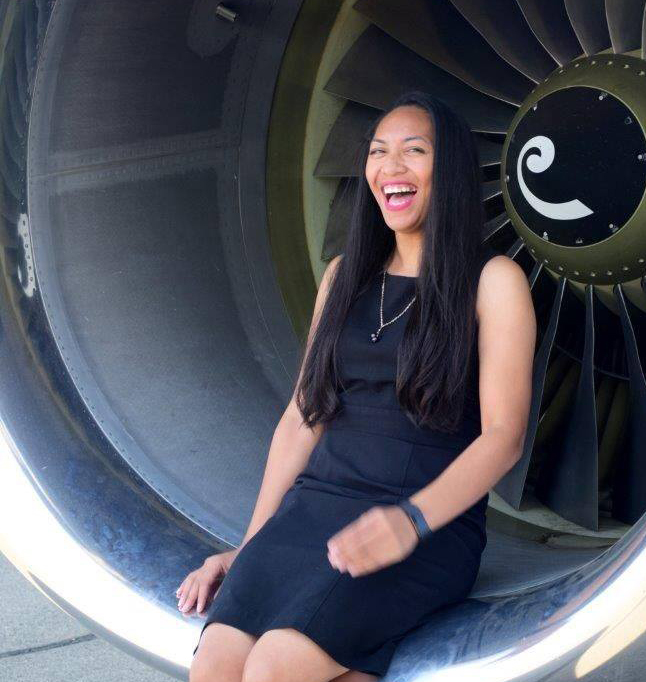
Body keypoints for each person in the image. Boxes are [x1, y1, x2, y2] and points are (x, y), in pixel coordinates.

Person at [178, 89, 536, 682]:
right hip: (313, 510)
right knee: (214, 667)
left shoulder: (493, 281)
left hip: (421, 523)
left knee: (272, 668)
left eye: (413, 150)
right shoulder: (344, 276)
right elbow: (303, 416)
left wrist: (411, 521)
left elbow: (504, 437)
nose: (390, 166)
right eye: (377, 151)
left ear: (448, 169)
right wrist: (248, 546)